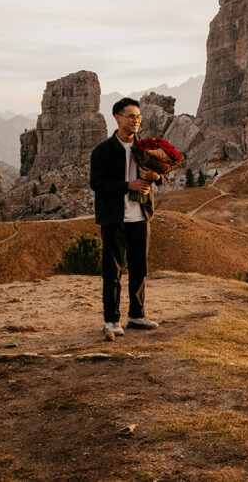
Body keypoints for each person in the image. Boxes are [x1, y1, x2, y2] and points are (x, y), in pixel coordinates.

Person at [89, 97, 163, 337]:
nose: (136, 121)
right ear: (117, 118)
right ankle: (111, 320)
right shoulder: (103, 150)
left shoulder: (147, 148)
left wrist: (155, 177)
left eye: (138, 117)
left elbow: (161, 175)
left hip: (141, 217)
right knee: (113, 272)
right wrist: (128, 186)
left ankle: (137, 316)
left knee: (140, 269)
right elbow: (97, 184)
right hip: (114, 219)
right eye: (131, 116)